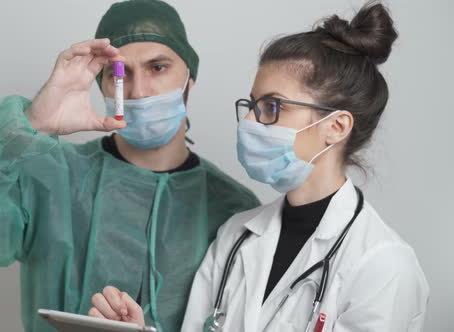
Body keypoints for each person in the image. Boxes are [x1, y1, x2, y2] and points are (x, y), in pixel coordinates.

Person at [0, 1, 259, 331]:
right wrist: (29, 124)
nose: (138, 90)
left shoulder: (235, 209)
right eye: (119, 74)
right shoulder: (50, 176)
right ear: (102, 86)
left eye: (158, 67)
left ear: (189, 80)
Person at [88, 3, 429, 331]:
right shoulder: (236, 236)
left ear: (336, 127)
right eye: (251, 105)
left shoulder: (382, 266)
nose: (250, 121)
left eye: (272, 106)